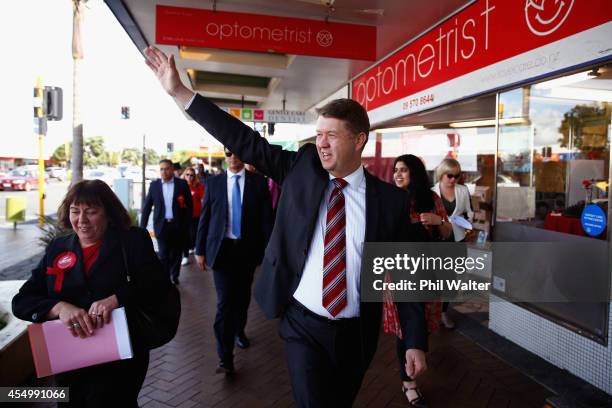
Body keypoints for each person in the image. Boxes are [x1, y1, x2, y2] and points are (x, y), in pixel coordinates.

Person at [144, 46, 428, 407]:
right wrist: (182, 94)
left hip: (357, 332)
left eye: (332, 135)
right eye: (319, 134)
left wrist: (415, 339)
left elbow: (405, 275)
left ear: (359, 140)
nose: (321, 143)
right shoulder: (301, 169)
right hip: (303, 325)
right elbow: (244, 140)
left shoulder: (391, 202)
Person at [12, 180, 170, 407]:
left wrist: (116, 299)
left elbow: (157, 284)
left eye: (91, 212)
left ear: (108, 213)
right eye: (75, 211)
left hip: (119, 357)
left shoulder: (132, 241)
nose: (81, 220)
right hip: (68, 357)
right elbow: (22, 301)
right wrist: (59, 308)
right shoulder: (58, 247)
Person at [195, 147, 273, 374]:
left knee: (242, 297)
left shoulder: (258, 183)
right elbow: (205, 217)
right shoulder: (214, 183)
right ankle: (225, 356)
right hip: (222, 251)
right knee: (224, 303)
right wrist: (199, 250)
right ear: (225, 156)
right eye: (228, 153)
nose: (233, 157)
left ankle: (240, 329)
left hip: (247, 252)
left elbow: (266, 220)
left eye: (237, 153)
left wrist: (269, 251)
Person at [392, 154, 452, 407]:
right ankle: (409, 383)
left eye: (404, 170)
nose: (397, 174)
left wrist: (439, 221)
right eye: (395, 170)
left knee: (422, 321)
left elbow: (447, 232)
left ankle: (412, 367)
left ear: (415, 173)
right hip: (397, 271)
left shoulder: (432, 199)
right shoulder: (389, 198)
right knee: (404, 326)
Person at [432, 158, 474, 329]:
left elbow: (470, 212)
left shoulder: (463, 191)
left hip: (457, 238)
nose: (453, 179)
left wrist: (466, 224)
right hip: (438, 239)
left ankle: (443, 312)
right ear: (442, 174)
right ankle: (435, 311)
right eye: (450, 175)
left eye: (457, 176)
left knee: (452, 279)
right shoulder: (431, 192)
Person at [141, 159, 193, 284]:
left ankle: (174, 276)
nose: (164, 171)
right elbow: (147, 207)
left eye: (167, 168)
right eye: (161, 169)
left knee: (176, 254)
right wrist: (142, 227)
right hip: (161, 225)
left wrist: (186, 225)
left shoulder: (182, 185)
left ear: (172, 169)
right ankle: (165, 279)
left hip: (178, 226)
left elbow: (189, 206)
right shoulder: (154, 186)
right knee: (163, 255)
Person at [181, 166, 205, 266]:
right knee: (185, 235)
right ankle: (185, 255)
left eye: (191, 175)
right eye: (187, 175)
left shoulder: (198, 186)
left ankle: (194, 247)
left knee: (194, 234)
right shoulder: (180, 186)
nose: (189, 177)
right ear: (184, 175)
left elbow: (203, 200)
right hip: (183, 215)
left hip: (196, 215)